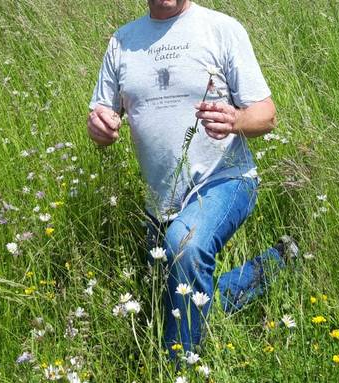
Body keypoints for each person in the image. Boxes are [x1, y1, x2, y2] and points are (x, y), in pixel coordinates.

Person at [87, 0, 298, 358]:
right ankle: (275, 262)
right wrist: (99, 129)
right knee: (176, 299)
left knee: (184, 248)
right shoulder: (122, 43)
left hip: (225, 181)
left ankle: (179, 368)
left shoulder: (221, 28)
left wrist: (236, 121)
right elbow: (101, 116)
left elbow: (267, 115)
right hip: (161, 203)